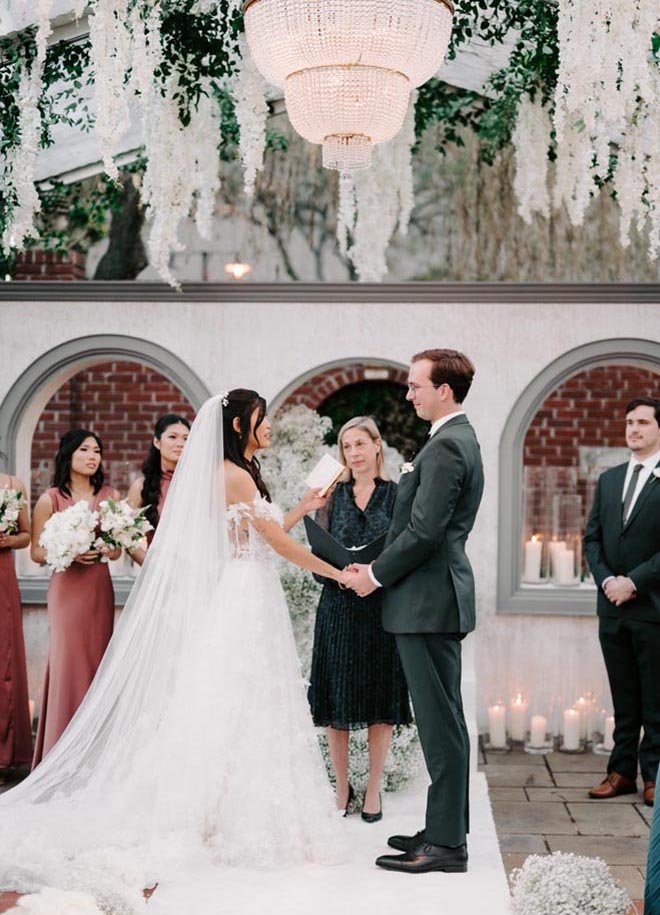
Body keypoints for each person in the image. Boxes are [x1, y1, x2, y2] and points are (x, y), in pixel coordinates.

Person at [0, 391, 352, 912]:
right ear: (240, 424)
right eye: (263, 418)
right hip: (243, 596)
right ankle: (216, 816)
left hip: (255, 595)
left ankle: (240, 808)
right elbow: (275, 544)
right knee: (234, 701)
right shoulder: (231, 474)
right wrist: (337, 573)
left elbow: (266, 531)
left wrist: (305, 506)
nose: (271, 425)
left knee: (255, 704)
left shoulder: (247, 470)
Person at [346, 349, 484, 874]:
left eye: (415, 386)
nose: (409, 394)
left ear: (443, 390)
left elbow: (426, 533)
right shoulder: (448, 440)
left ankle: (447, 846)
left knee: (440, 724)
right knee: (441, 722)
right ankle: (445, 828)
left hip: (429, 603)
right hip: (426, 601)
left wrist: (374, 575)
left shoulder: (448, 446)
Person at [308, 416, 411, 820]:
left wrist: (373, 575)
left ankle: (372, 789)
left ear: (376, 446)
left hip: (381, 609)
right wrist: (342, 575)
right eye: (346, 447)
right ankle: (341, 787)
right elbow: (316, 554)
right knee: (337, 703)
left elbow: (404, 550)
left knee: (379, 701)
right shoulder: (330, 497)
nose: (353, 453)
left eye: (359, 444)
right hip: (337, 608)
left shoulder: (398, 495)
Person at [584, 396, 660, 808]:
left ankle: (654, 776)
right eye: (630, 422)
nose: (634, 429)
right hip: (611, 605)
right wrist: (608, 580)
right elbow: (591, 539)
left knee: (655, 699)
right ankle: (621, 771)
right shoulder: (609, 480)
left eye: (643, 422)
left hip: (652, 607)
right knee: (623, 696)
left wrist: (634, 581)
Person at [30, 430, 121, 767]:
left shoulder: (109, 495)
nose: (92, 456)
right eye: (84, 449)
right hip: (67, 588)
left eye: (97, 450)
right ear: (68, 454)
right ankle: (59, 754)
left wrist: (111, 547)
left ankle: (95, 755)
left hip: (98, 586)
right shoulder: (50, 499)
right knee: (68, 662)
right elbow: (37, 552)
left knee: (98, 661)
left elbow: (117, 545)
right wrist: (66, 549)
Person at [0, 466, 33, 779]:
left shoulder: (12, 485)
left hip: (2, 574)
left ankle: (4, 754)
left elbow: (26, 536)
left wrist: (8, 539)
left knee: (3, 659)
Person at [126, 413, 191, 565]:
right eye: (173, 437)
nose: (180, 443)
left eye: (186, 438)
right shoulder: (141, 486)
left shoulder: (201, 483)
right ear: (157, 441)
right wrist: (150, 567)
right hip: (158, 572)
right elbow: (125, 534)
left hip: (195, 573)